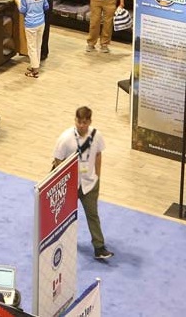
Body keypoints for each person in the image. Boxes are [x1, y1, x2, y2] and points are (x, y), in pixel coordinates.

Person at [52, 106, 113, 262]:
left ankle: (99, 247)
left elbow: (99, 154)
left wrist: (97, 176)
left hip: (89, 184)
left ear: (89, 122)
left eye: (84, 122)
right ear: (75, 120)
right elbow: (57, 160)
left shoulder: (96, 136)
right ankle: (58, 242)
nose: (81, 125)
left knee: (93, 215)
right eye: (79, 122)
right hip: (70, 186)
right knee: (63, 216)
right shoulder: (65, 138)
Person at [16, 0, 49, 78]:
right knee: (38, 45)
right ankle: (36, 64)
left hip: (30, 24)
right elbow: (46, 7)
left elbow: (22, 10)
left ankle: (35, 70)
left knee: (31, 47)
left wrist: (17, 2)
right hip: (41, 23)